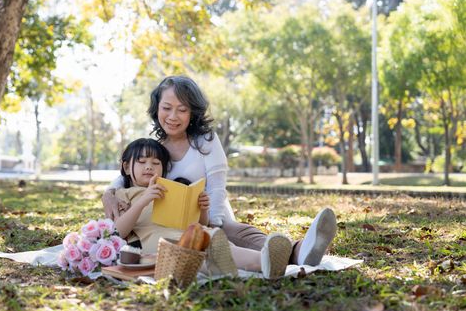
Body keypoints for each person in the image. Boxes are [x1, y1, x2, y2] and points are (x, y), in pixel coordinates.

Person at [102, 75, 337, 267]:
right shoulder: (155, 148)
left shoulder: (205, 140)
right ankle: (293, 254)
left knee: (236, 233)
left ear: (192, 112)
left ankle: (297, 250)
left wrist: (212, 222)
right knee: (216, 239)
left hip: (211, 212)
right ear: (157, 109)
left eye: (182, 110)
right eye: (166, 108)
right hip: (171, 224)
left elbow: (216, 187)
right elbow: (128, 175)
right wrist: (109, 193)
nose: (173, 117)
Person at [113, 137, 293, 278]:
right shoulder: (122, 195)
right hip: (163, 245)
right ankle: (222, 268)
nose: (149, 167)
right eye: (142, 162)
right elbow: (118, 231)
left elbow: (199, 222)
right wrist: (144, 199)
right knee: (197, 255)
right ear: (127, 167)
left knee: (213, 240)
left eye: (155, 163)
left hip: (189, 235)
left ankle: (265, 261)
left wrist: (203, 209)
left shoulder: (171, 189)